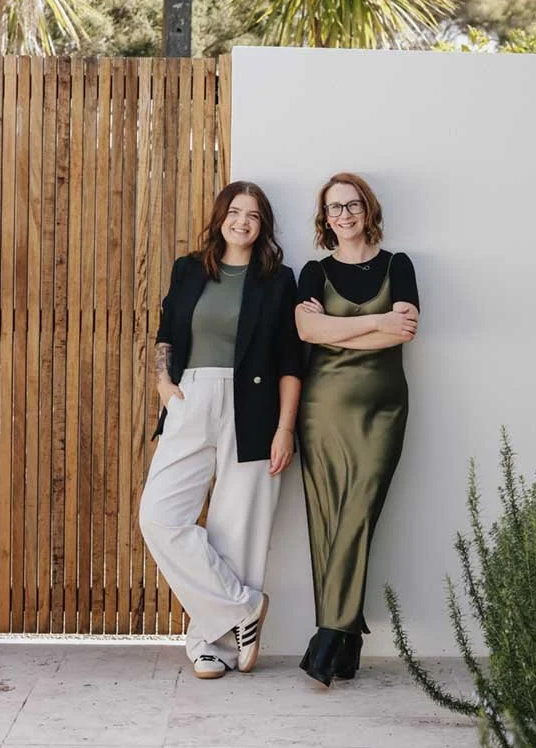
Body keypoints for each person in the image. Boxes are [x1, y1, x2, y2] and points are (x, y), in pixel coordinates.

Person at [139, 181, 302, 680]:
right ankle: (243, 606)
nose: (242, 221)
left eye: (253, 215)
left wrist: (285, 428)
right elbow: (167, 333)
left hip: (254, 406)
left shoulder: (278, 280)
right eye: (235, 211)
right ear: (220, 216)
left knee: (237, 529)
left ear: (262, 225)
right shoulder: (189, 269)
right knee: (159, 517)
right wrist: (164, 384)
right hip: (191, 398)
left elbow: (291, 360)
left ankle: (213, 646)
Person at [295, 172, 420, 687]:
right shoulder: (313, 271)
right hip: (321, 409)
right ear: (324, 219)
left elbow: (404, 331)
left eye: (351, 205)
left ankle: (329, 633)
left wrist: (336, 331)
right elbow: (306, 330)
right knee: (327, 520)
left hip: (383, 409)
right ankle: (344, 645)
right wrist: (374, 322)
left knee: (357, 513)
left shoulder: (398, 265)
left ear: (368, 210)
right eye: (333, 208)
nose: (343, 215)